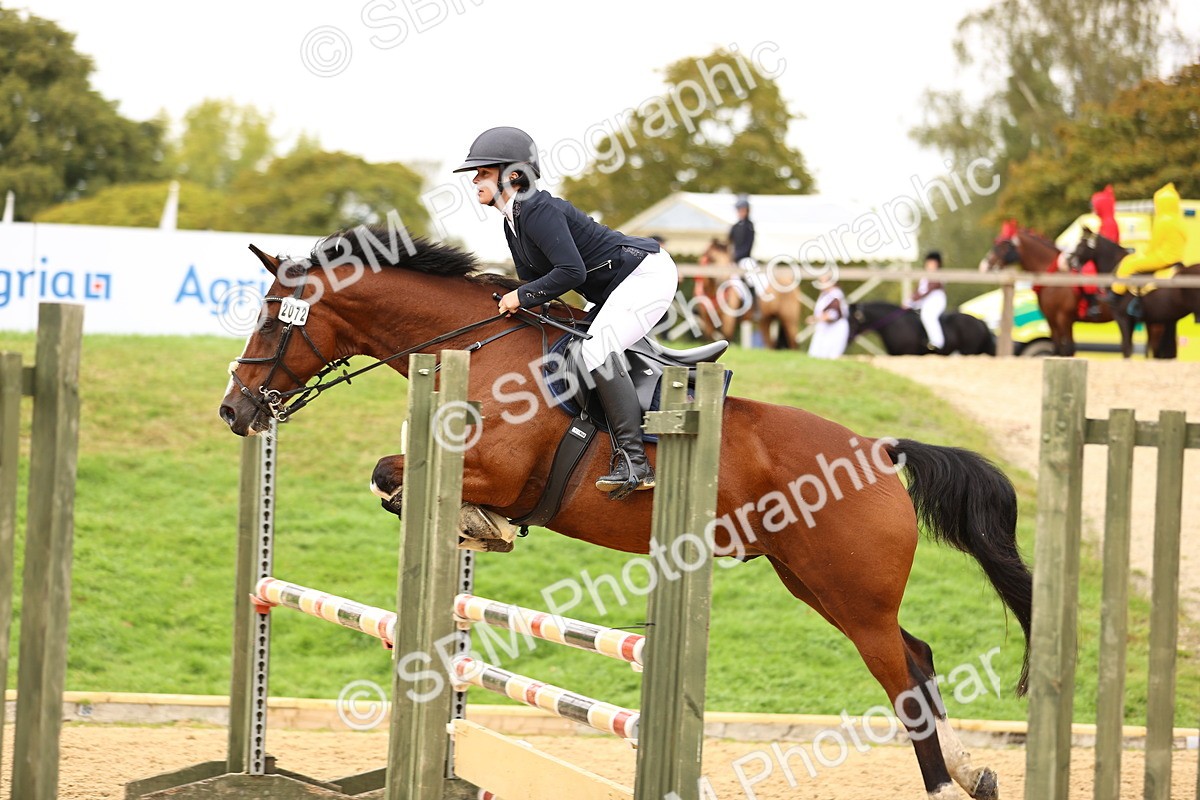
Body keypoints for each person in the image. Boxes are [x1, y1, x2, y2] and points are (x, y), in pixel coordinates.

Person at [453, 126, 675, 500]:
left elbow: (572, 273)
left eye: (483, 172)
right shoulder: (514, 220)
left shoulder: (537, 210)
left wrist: (520, 297)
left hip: (645, 276)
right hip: (615, 285)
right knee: (573, 346)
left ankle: (636, 462)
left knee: (595, 351)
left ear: (513, 175)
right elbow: (536, 282)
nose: (475, 180)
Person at [1109, 182, 1186, 311]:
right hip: (1177, 257)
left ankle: (1116, 294)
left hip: (1162, 257)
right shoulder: (1178, 220)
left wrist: (1145, 253)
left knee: (1129, 263)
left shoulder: (1163, 220)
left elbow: (1155, 244)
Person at [1080, 184, 1119, 318]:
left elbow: (1106, 246)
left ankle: (1094, 305)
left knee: (1087, 271)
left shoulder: (1109, 223)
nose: (1094, 209)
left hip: (1107, 262)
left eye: (1096, 206)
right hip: (1105, 259)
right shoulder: (1106, 221)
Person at [905, 251, 947, 351]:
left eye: (933, 263)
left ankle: (937, 342)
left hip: (935, 300)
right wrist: (909, 300)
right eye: (929, 263)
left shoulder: (937, 276)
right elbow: (918, 290)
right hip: (923, 300)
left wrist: (913, 299)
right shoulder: (923, 277)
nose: (930, 266)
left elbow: (928, 291)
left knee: (928, 315)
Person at [729, 196, 759, 322]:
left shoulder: (750, 226)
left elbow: (748, 244)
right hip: (734, 259)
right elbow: (730, 242)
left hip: (745, 258)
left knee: (751, 279)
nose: (740, 212)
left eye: (743, 210)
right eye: (739, 210)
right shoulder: (735, 226)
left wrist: (738, 256)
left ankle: (755, 305)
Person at [806, 272, 849, 359]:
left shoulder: (836, 295)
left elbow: (833, 315)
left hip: (834, 330)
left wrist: (816, 319)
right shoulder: (824, 295)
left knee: (829, 355)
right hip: (824, 329)